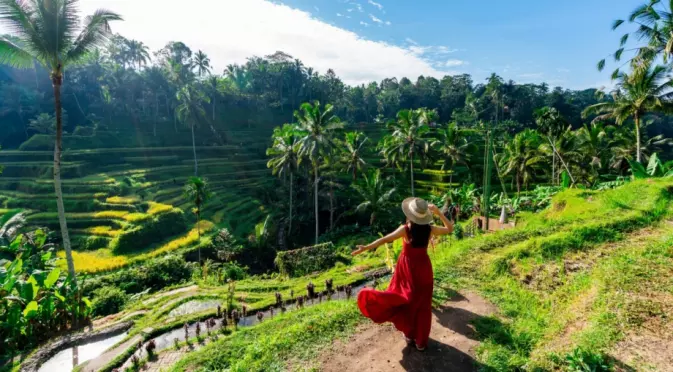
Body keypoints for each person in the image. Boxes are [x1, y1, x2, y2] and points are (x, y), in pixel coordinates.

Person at [351, 197, 453, 351]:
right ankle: (421, 342)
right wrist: (438, 212)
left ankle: (410, 335)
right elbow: (450, 229)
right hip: (424, 269)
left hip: (407, 271)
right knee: (423, 306)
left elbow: (384, 239)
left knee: (407, 302)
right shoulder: (430, 229)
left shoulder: (405, 229)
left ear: (410, 215)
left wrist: (365, 248)